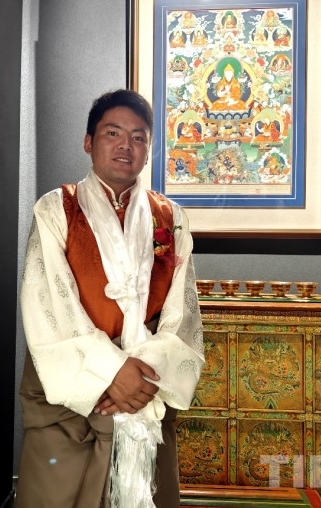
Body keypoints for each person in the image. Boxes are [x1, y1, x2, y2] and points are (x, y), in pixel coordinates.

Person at [16, 90, 205, 508]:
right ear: (89, 142)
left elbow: (182, 312)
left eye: (138, 137)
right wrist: (111, 372)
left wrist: (140, 376)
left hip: (146, 384)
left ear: (148, 150)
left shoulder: (171, 218)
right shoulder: (56, 209)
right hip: (74, 391)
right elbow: (49, 304)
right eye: (113, 133)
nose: (126, 145)